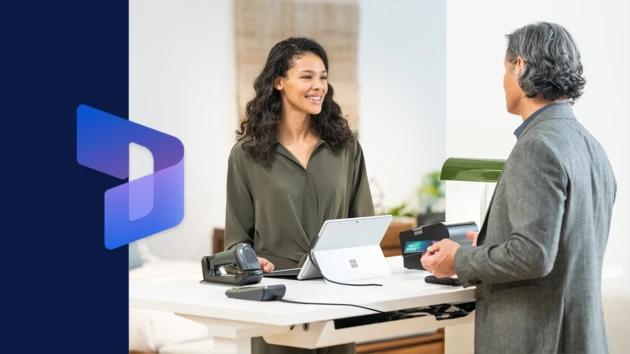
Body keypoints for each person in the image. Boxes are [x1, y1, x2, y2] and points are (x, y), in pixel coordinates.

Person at [421, 22, 617, 354]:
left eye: (504, 68)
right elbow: (561, 245)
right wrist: (491, 244)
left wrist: (460, 260)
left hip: (536, 340)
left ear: (520, 66)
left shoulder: (536, 146)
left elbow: (533, 256)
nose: (502, 81)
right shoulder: (591, 146)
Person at [223, 37, 374, 354]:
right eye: (307, 76)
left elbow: (364, 226)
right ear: (279, 81)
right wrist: (251, 261)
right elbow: (237, 240)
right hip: (276, 302)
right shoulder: (246, 155)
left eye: (323, 77)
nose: (318, 85)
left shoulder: (345, 147)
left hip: (338, 299)